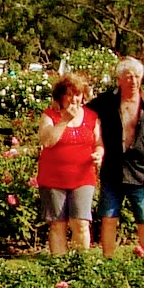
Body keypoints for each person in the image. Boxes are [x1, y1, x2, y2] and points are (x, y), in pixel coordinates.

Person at [88, 57, 144, 259]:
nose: (133, 81)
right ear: (119, 79)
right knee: (108, 216)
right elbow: (84, 114)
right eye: (128, 77)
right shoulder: (107, 100)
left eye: (136, 76)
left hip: (141, 170)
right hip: (113, 169)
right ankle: (108, 259)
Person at [34, 72, 102, 254]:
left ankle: (80, 263)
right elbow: (47, 141)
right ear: (60, 96)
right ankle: (59, 263)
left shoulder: (91, 117)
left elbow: (99, 143)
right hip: (53, 178)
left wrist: (99, 154)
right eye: (69, 94)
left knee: (81, 222)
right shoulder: (50, 116)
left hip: (83, 177)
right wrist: (65, 120)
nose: (74, 99)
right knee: (58, 224)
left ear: (83, 96)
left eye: (77, 94)